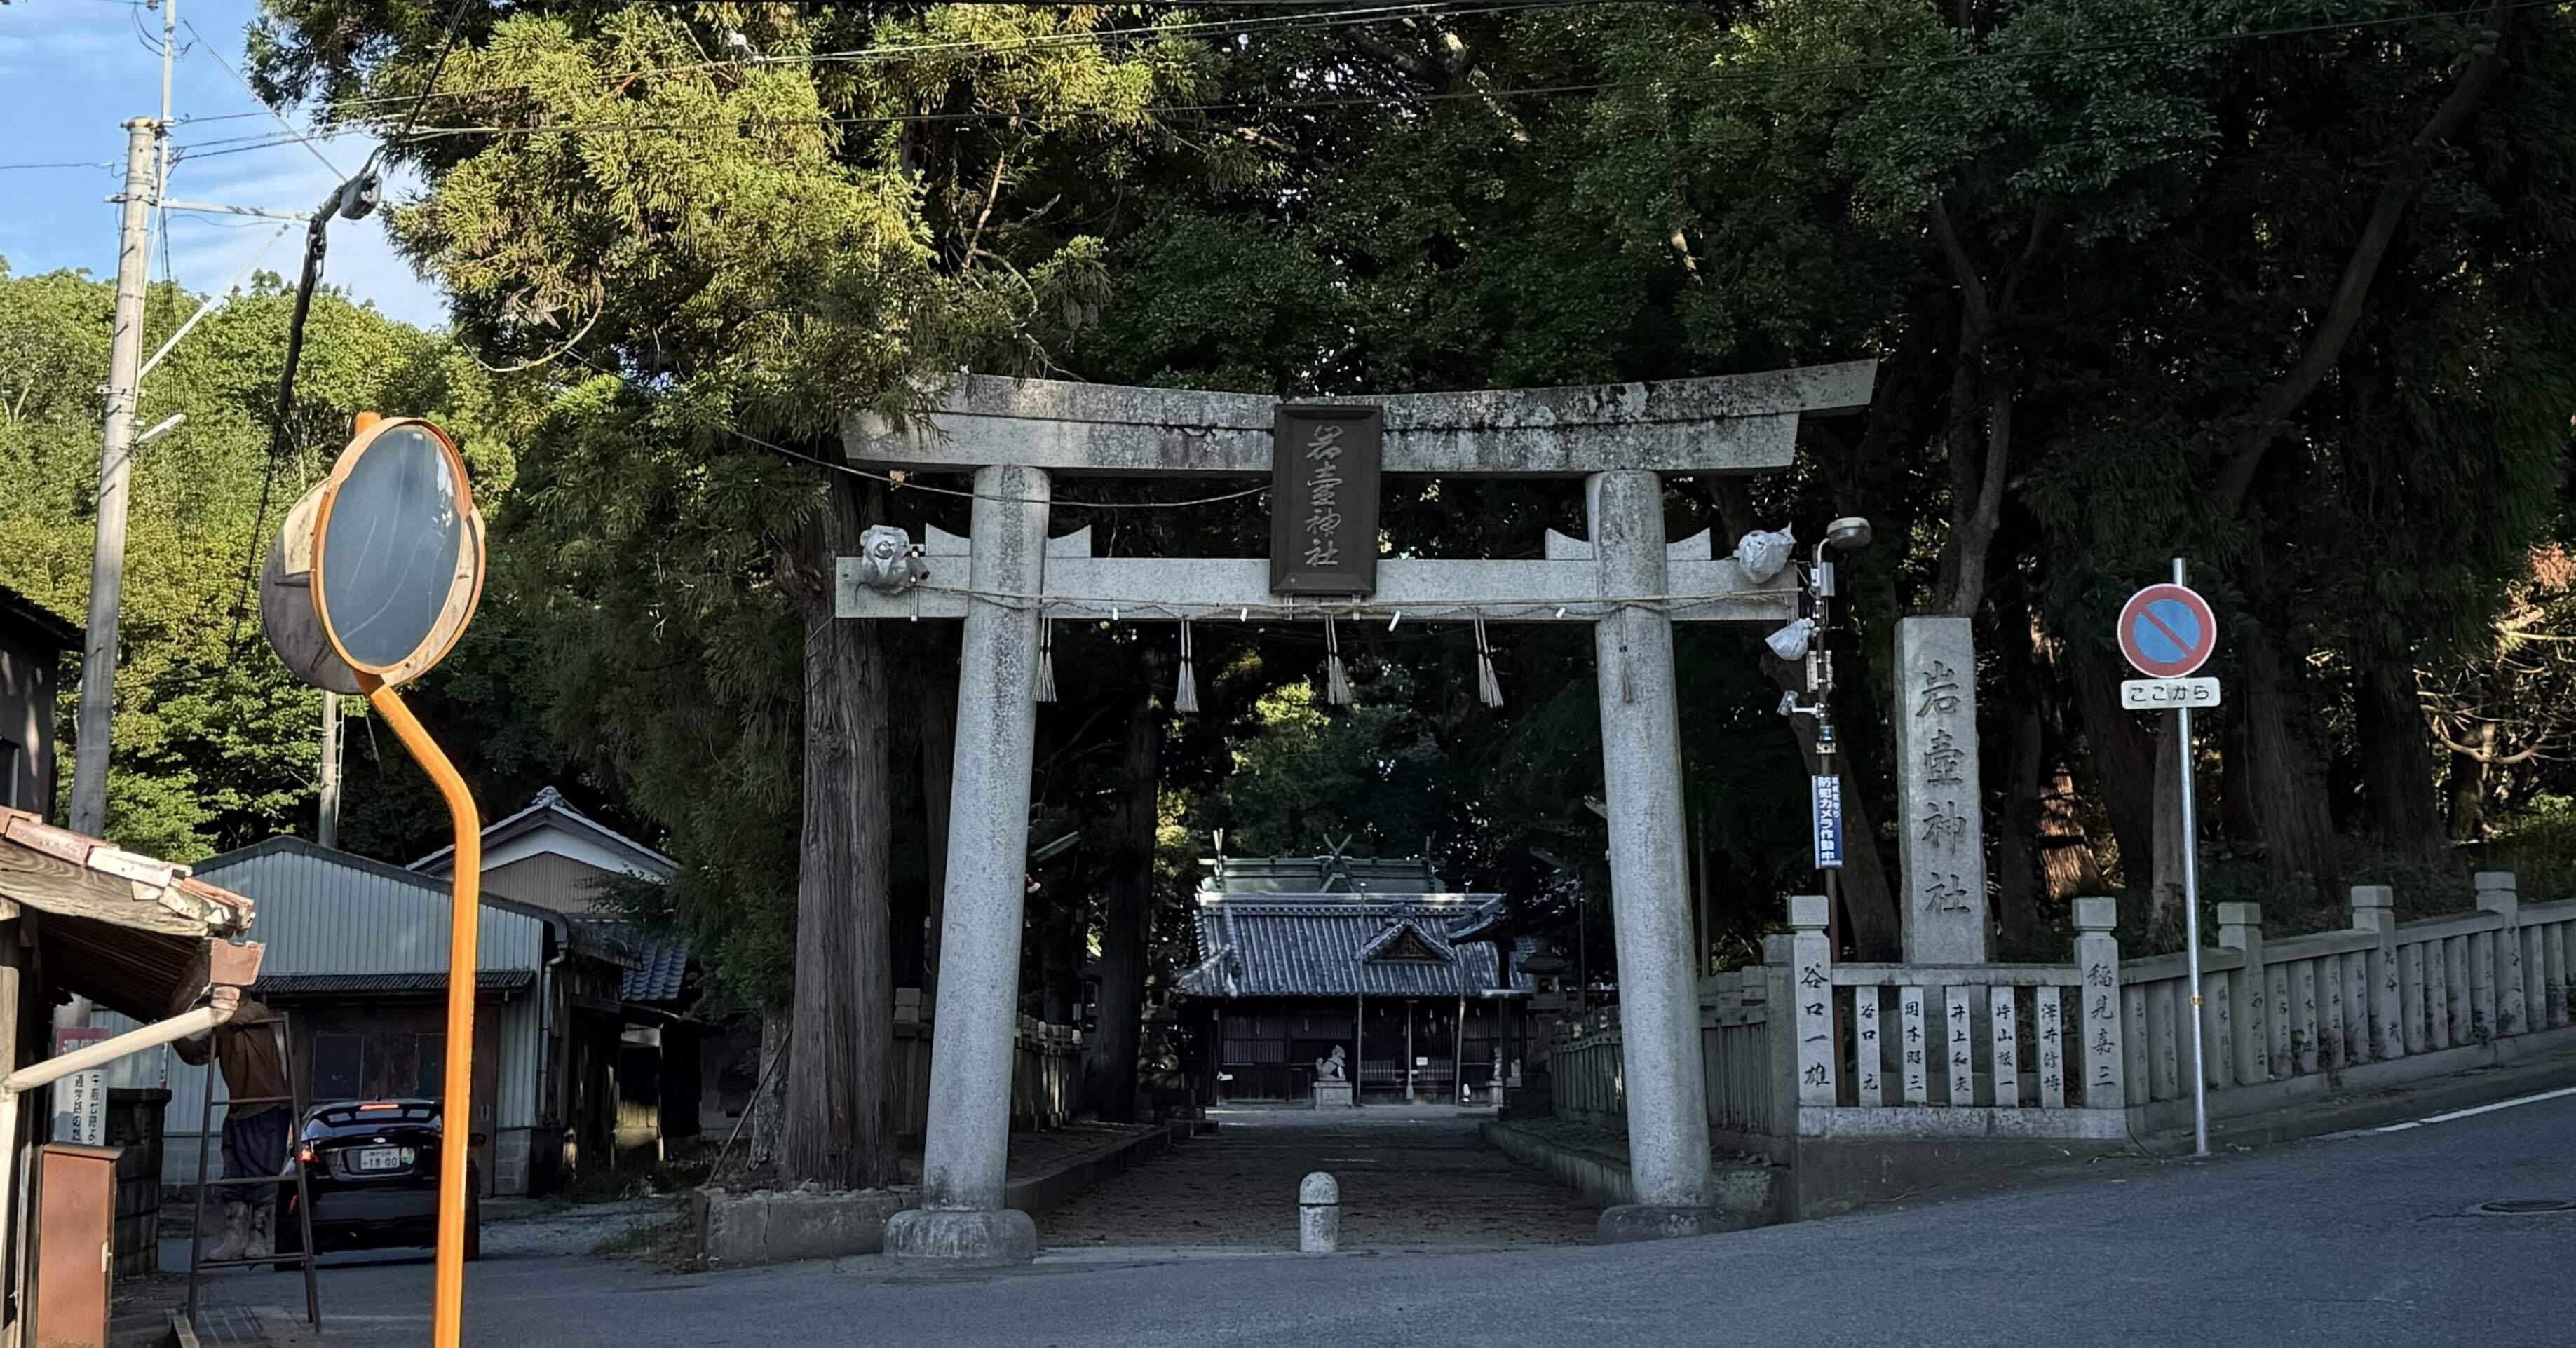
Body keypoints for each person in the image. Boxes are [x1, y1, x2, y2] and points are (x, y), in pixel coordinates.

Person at [173, 995, 291, 1261]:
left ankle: (259, 1236)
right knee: (233, 1176)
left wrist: (193, 1014)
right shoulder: (223, 1026)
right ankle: (234, 1236)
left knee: (262, 1175)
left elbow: (238, 1016)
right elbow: (197, 1053)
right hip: (239, 1109)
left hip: (267, 1107)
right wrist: (174, 1031)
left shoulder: (256, 1011)